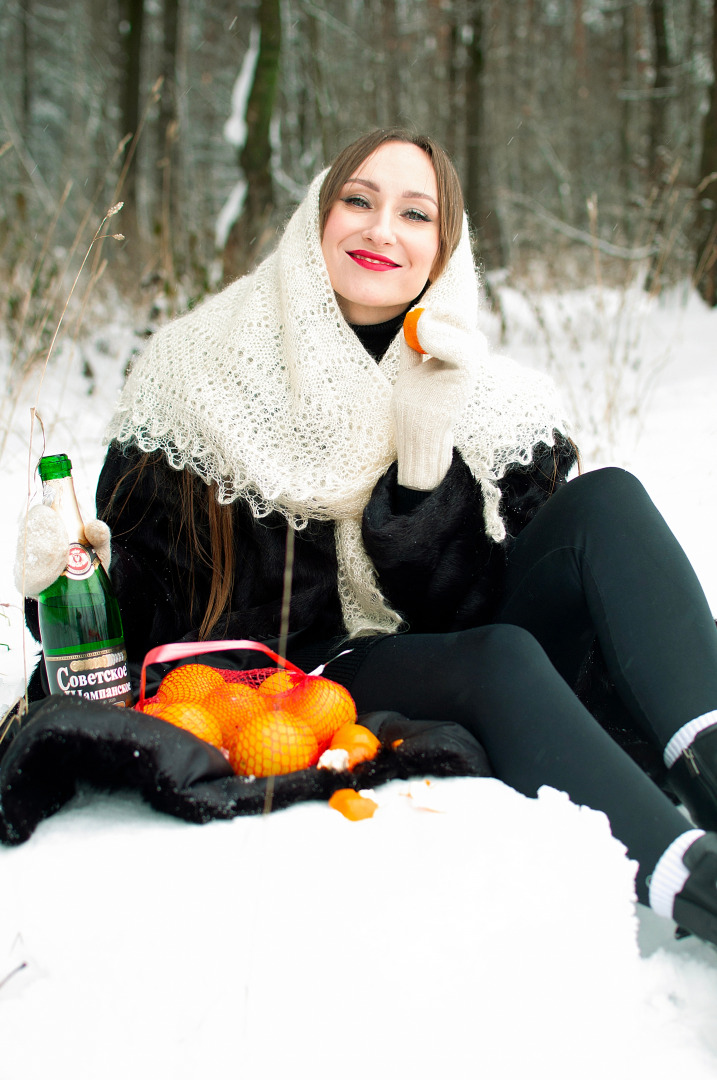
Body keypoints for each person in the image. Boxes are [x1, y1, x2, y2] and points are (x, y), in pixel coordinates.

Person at [17, 128, 717, 948]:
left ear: (442, 250)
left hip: (460, 628)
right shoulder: (196, 370)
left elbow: (477, 598)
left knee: (609, 501)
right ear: (316, 219)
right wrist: (74, 571)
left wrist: (423, 469)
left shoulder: (489, 398)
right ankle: (694, 882)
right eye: (358, 200)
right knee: (495, 658)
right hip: (310, 666)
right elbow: (154, 596)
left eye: (415, 213)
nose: (382, 229)